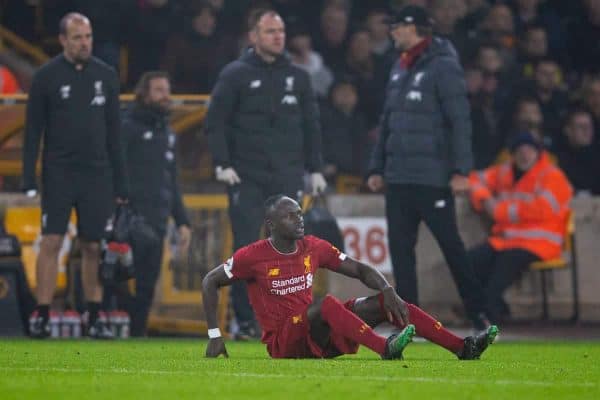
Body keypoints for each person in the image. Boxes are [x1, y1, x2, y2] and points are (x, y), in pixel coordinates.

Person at [202, 195, 498, 359]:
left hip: (319, 334)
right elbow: (210, 281)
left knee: (384, 302)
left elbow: (359, 269)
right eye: (290, 215)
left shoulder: (313, 247)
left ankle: (462, 347)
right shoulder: (251, 256)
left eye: (299, 213)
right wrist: (215, 335)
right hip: (285, 342)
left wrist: (387, 288)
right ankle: (385, 349)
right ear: (271, 225)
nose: (299, 219)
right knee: (326, 303)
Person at [366, 5, 491, 330]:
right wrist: (376, 167)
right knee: (401, 254)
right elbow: (387, 121)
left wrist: (461, 169)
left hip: (432, 179)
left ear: (416, 28)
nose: (392, 31)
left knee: (452, 247)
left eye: (397, 26)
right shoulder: (399, 67)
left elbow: (459, 120)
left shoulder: (444, 66)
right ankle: (409, 320)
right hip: (399, 178)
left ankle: (479, 311)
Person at [205, 9, 327, 340]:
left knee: (291, 251)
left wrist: (315, 168)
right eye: (270, 31)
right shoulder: (235, 74)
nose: (278, 36)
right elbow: (214, 121)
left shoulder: (299, 77)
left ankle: (293, 319)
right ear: (254, 36)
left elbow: (311, 125)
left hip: (287, 176)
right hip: (246, 175)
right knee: (247, 251)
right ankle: (244, 321)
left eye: (281, 30)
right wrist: (222, 163)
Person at [22, 13, 128, 339]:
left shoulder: (106, 75)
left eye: (88, 36)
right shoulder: (46, 76)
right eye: (78, 37)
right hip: (59, 172)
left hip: (97, 172)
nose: (85, 42)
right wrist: (28, 178)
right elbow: (32, 133)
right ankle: (41, 313)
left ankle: (93, 315)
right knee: (52, 240)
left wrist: (121, 183)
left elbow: (114, 134)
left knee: (93, 245)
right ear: (63, 40)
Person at [467, 131, 573, 322]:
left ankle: (487, 314)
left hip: (540, 243)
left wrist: (498, 210)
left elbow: (541, 209)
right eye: (520, 151)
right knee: (470, 261)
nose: (524, 155)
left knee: (503, 266)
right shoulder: (504, 171)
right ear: (513, 154)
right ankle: (493, 308)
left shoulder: (552, 175)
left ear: (538, 153)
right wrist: (484, 199)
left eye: (529, 150)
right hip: (507, 240)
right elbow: (475, 179)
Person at [120, 71, 191, 336]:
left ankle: (136, 333)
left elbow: (172, 182)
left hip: (157, 218)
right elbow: (116, 169)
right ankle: (109, 325)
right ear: (144, 94)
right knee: (116, 277)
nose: (166, 96)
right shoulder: (128, 126)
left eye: (167, 90)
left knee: (147, 283)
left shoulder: (168, 133)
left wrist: (182, 221)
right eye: (159, 90)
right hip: (129, 217)